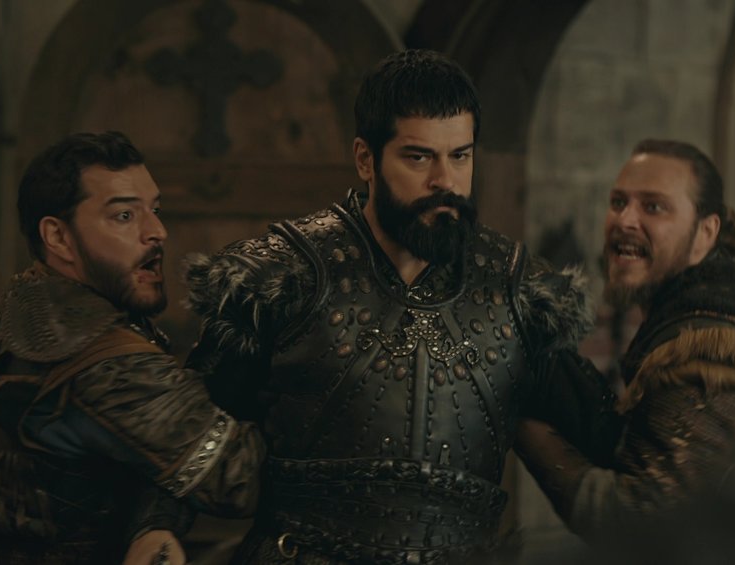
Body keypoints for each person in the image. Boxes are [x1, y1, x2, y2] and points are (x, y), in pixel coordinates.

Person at [184, 49, 618, 563]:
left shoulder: (519, 292)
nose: (445, 181)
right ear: (365, 159)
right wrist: (154, 526)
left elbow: (606, 437)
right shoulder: (286, 278)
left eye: (460, 156)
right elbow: (188, 431)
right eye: (419, 157)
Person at [0, 131, 266, 564]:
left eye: (155, 210)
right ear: (57, 237)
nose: (157, 232)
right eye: (124, 215)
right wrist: (256, 348)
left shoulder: (31, 298)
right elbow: (239, 476)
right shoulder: (97, 359)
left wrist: (154, 524)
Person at [515, 139, 735, 540]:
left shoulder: (711, 357)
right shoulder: (687, 316)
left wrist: (520, 420)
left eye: (653, 207)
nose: (624, 220)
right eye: (618, 202)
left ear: (705, 233)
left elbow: (643, 526)